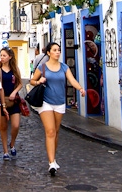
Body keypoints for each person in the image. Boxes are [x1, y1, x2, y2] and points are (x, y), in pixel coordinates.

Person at [29, 42, 86, 176]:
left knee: (56, 131)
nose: (57, 52)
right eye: (55, 50)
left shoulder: (64, 67)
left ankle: (53, 156)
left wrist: (80, 89)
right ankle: (51, 163)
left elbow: (72, 80)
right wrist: (39, 82)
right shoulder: (43, 67)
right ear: (48, 53)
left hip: (60, 103)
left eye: (59, 50)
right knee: (50, 131)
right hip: (45, 102)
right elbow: (32, 81)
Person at [0, 47, 22, 160]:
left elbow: (20, 83)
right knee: (3, 127)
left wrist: (14, 92)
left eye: (4, 55)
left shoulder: (14, 69)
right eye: (1, 55)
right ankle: (5, 151)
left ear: (10, 57)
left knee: (15, 125)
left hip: (14, 101)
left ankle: (12, 143)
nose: (2, 57)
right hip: (1, 100)